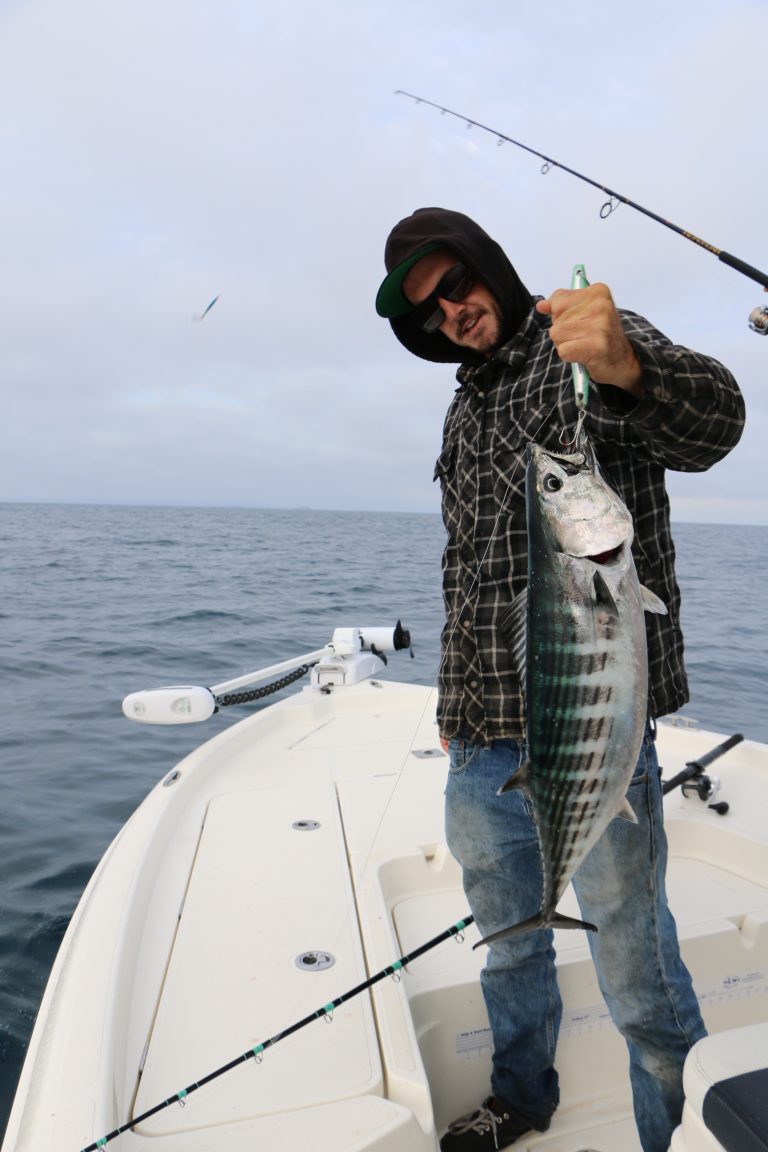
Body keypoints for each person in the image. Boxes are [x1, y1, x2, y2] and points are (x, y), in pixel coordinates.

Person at [375, 207, 746, 1152]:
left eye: (455, 284)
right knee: (509, 946)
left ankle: (676, 1129)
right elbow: (469, 570)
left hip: (592, 732)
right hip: (481, 741)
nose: (452, 311)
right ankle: (519, 1095)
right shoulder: (463, 407)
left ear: (487, 266)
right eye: (429, 311)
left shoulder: (581, 338)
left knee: (636, 959)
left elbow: (715, 423)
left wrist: (627, 365)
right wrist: (456, 707)